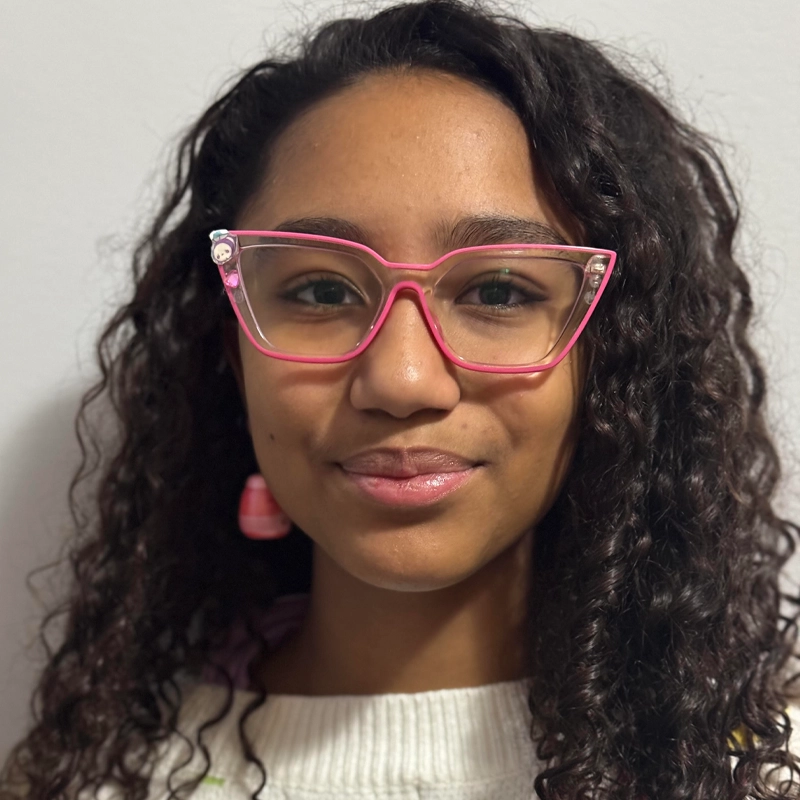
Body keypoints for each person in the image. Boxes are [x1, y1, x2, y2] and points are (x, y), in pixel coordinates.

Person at [2, 0, 799, 797]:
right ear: (231, 348)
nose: (403, 379)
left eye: (498, 288)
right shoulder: (92, 777)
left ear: (617, 351)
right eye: (319, 289)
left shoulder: (749, 771)